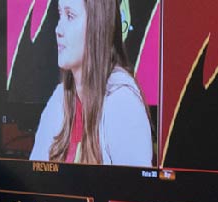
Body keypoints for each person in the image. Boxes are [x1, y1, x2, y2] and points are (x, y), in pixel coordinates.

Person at [29, 0, 152, 167]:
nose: (58, 29)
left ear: (97, 26)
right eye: (60, 15)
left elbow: (134, 190)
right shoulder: (59, 98)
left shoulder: (122, 101)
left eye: (70, 16)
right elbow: (36, 180)